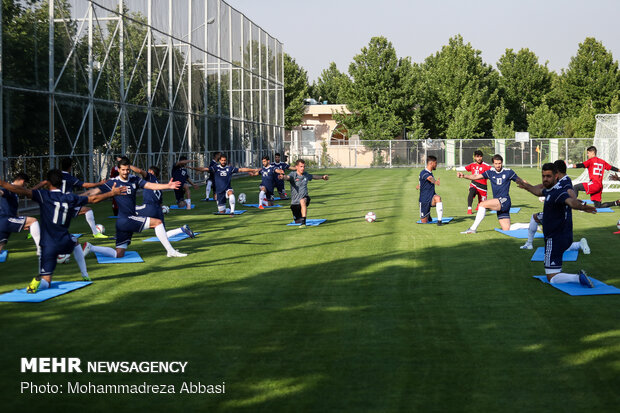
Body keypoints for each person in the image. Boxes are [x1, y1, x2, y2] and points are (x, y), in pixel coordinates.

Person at [0, 169, 126, 293]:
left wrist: (2, 182)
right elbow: (93, 199)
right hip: (64, 240)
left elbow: (22, 190)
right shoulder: (70, 198)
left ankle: (40, 281)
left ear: (48, 182)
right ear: (61, 182)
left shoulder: (43, 195)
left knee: (47, 280)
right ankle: (85, 274)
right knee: (76, 243)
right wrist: (111, 193)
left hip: (47, 245)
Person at [82, 158, 187, 259]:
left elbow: (150, 185)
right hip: (126, 219)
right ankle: (171, 251)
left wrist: (167, 186)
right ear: (118, 170)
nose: (125, 172)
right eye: (123, 170)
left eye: (127, 169)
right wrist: (76, 198)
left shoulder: (134, 179)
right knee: (158, 222)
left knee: (118, 254)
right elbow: (93, 192)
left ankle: (91, 247)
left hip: (123, 221)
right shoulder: (113, 182)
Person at [518, 162, 597, 287]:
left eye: (548, 176)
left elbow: (570, 200)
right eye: (543, 176)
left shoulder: (559, 192)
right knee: (537, 217)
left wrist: (581, 206)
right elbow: (538, 191)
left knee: (552, 277)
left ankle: (578, 278)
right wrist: (526, 186)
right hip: (563, 236)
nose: (545, 179)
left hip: (554, 239)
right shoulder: (550, 190)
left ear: (556, 176)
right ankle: (576, 249)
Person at [520, 160, 590, 255]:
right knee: (560, 245)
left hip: (558, 215)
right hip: (558, 214)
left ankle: (529, 244)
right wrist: (528, 186)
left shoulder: (565, 182)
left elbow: (571, 193)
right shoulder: (561, 180)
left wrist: (574, 201)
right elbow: (543, 186)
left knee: (535, 218)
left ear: (557, 171)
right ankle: (579, 244)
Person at [35, 157, 109, 238]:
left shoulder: (56, 176)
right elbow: (85, 185)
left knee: (50, 217)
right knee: (88, 210)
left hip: (55, 201)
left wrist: (31, 190)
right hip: (67, 202)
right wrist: (99, 183)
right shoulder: (70, 178)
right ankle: (95, 233)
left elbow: (44, 182)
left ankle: (36, 230)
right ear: (70, 167)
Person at [457, 154, 524, 233]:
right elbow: (475, 177)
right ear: (493, 164)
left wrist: (531, 188)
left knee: (482, 204)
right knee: (507, 229)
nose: (498, 165)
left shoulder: (508, 172)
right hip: (498, 202)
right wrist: (464, 176)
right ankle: (531, 225)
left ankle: (472, 229)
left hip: (504, 201)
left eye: (499, 163)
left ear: (502, 163)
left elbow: (521, 181)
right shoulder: (490, 172)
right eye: (496, 163)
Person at [128, 163, 196, 240]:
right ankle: (183, 229)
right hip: (158, 210)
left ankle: (122, 235)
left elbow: (140, 171)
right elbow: (160, 203)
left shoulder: (150, 177)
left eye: (148, 171)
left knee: (127, 211)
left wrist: (127, 165)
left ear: (151, 172)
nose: (146, 172)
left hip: (149, 207)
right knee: (163, 235)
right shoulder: (158, 185)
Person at [277, 159, 328, 228]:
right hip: (295, 203)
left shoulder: (306, 175)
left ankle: (304, 223)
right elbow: (287, 177)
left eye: (304, 166)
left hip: (305, 198)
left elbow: (313, 176)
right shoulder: (293, 174)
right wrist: (283, 177)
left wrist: (322, 177)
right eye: (301, 166)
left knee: (302, 200)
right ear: (296, 167)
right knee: (297, 221)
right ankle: (300, 219)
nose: (303, 168)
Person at [0, 173, 41, 254]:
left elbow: (13, 209)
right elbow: (2, 192)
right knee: (33, 220)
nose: (24, 187)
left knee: (1, 244)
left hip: (5, 222)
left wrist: (22, 222)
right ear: (22, 182)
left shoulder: (14, 193)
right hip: (5, 220)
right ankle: (41, 248)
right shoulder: (10, 189)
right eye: (25, 185)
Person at [418, 155, 445, 225]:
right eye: (435, 163)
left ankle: (439, 221)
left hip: (432, 197)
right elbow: (429, 178)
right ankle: (427, 214)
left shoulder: (430, 173)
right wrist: (435, 181)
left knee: (438, 198)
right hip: (424, 200)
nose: (436, 165)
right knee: (424, 222)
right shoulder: (424, 172)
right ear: (431, 163)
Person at [463, 150, 491, 214]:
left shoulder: (486, 165)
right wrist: (456, 169)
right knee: (471, 191)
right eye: (477, 156)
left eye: (480, 156)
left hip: (483, 187)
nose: (479, 158)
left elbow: (492, 171)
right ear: (475, 157)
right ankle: (469, 209)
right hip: (474, 184)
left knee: (482, 207)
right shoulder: (472, 165)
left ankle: (479, 204)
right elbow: (465, 168)